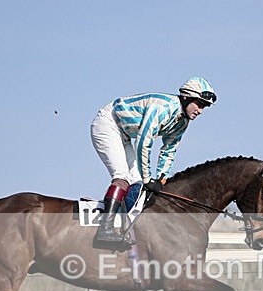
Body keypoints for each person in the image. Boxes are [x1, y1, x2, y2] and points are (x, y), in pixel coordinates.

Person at [90, 76, 217, 247]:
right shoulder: (163, 108)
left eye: (204, 107)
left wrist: (161, 179)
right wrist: (149, 178)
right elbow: (144, 142)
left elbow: (169, 150)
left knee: (137, 183)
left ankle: (121, 227)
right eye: (199, 104)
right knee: (122, 176)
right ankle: (104, 229)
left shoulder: (182, 122)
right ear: (186, 97)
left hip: (125, 134)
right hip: (108, 124)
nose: (201, 111)